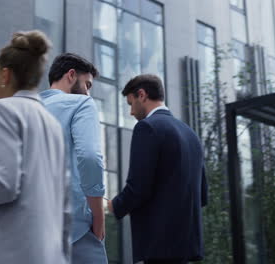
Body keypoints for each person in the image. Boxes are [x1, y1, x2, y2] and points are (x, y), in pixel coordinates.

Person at [0, 30, 69, 264]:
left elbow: (2, 184)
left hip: (11, 251)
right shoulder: (54, 126)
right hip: (49, 254)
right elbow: (65, 205)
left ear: (5, 75)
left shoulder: (2, 110)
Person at [107, 74, 208, 264]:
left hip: (159, 245)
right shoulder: (190, 133)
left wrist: (113, 206)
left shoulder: (147, 128)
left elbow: (138, 187)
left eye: (131, 104)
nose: (131, 112)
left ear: (142, 95)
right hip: (186, 247)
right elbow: (202, 194)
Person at [40, 53, 107, 264]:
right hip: (75, 229)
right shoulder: (81, 104)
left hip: (32, 232)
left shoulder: (27, 109)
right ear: (71, 75)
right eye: (87, 84)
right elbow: (89, 157)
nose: (87, 92)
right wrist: (98, 215)